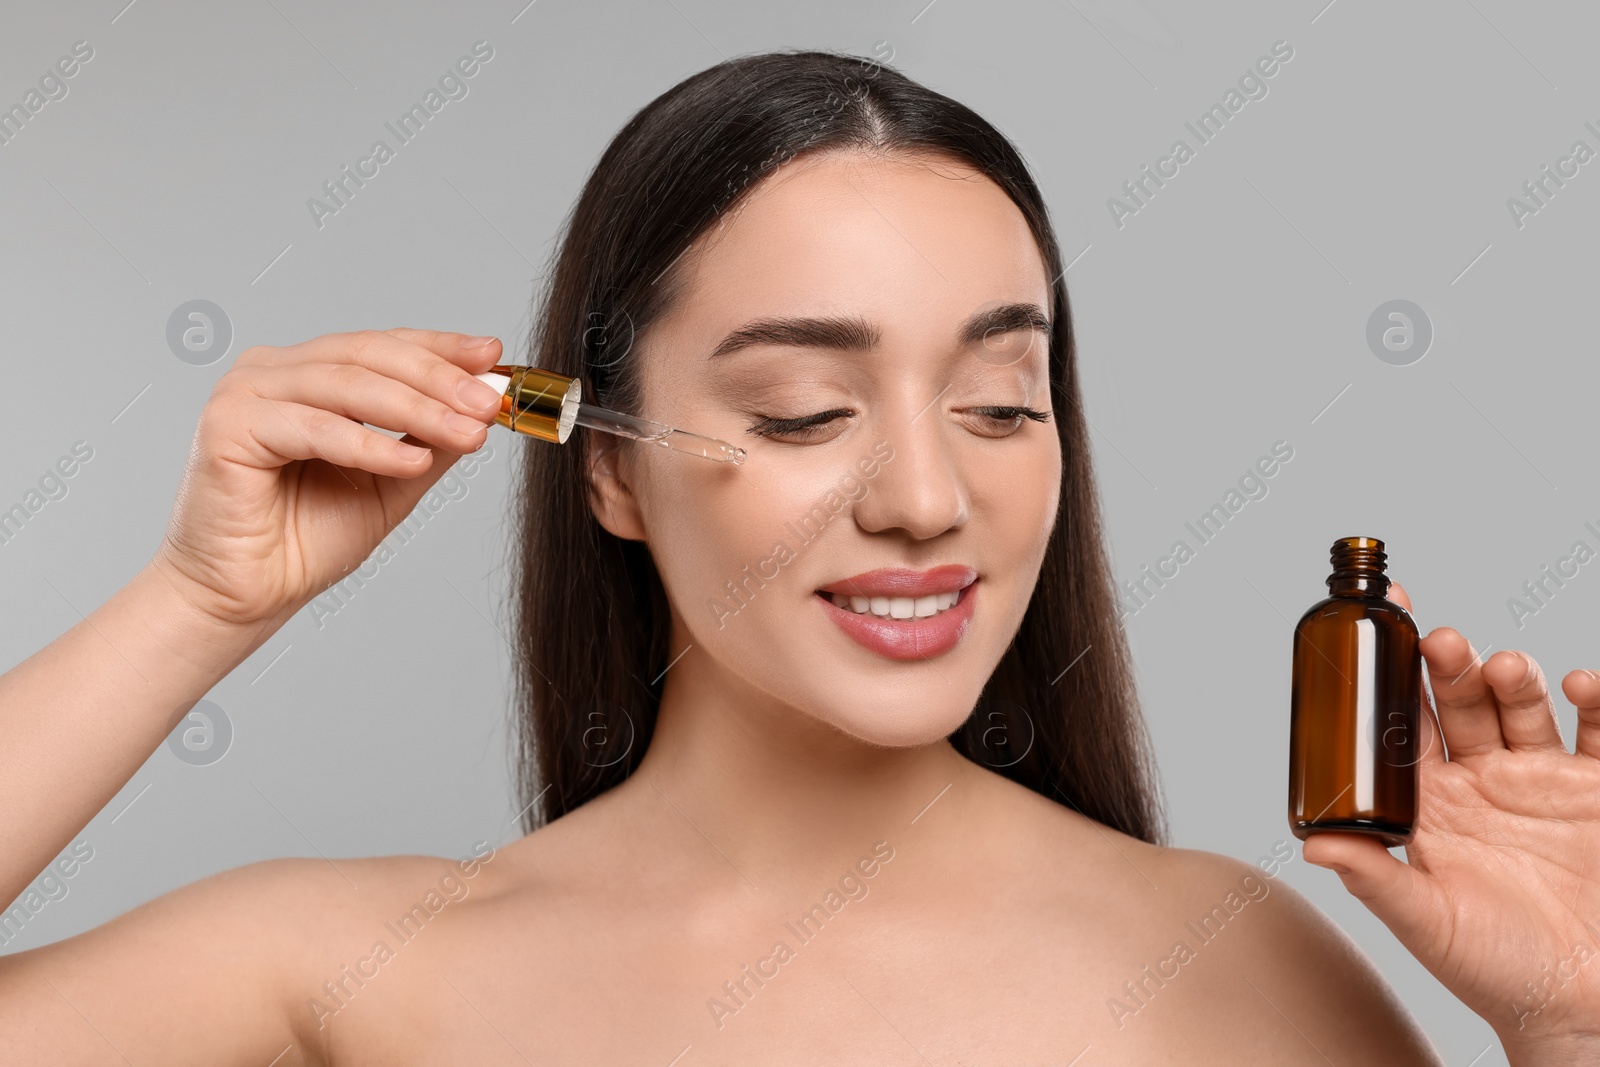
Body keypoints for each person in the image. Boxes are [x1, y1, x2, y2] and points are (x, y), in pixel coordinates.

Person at [2, 49, 1597, 1065]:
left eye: (997, 401)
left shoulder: (1227, 968)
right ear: (609, 467)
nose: (924, 497)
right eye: (803, 409)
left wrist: (1575, 1029)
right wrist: (195, 606)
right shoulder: (360, 970)